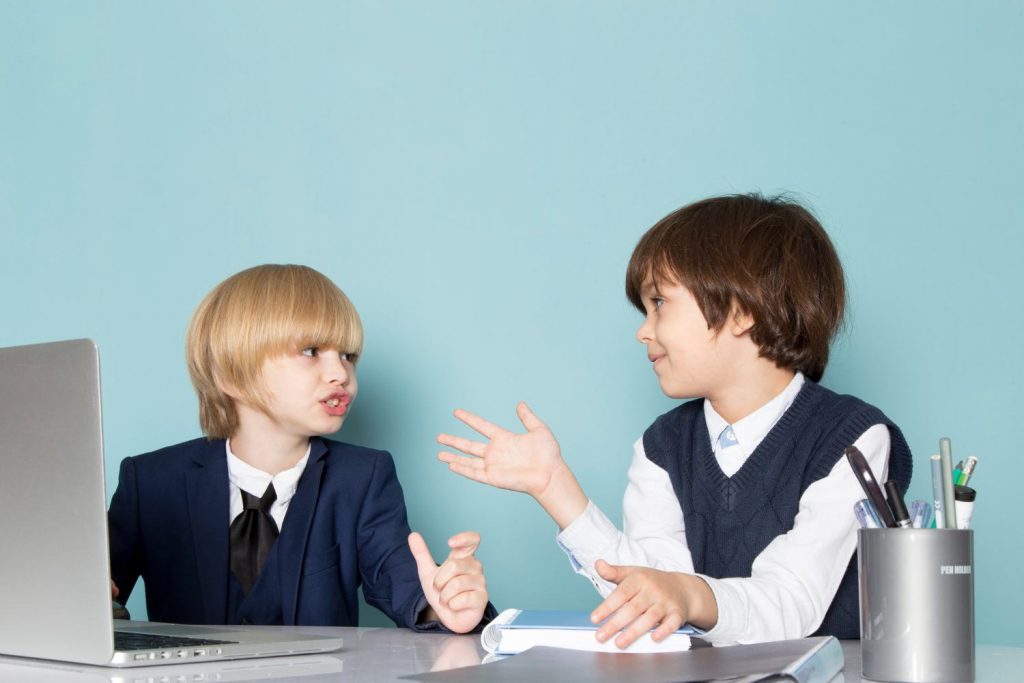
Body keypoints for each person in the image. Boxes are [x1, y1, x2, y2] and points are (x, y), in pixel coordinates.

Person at [437, 194, 912, 646]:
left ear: (742, 311)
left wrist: (688, 595)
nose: (643, 330)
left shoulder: (852, 438)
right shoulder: (662, 445)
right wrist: (554, 488)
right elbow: (650, 590)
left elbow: (791, 600)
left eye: (659, 303)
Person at [109, 264, 493, 632]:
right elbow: (88, 597)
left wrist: (445, 603)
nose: (340, 373)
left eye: (348, 356)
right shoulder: (151, 482)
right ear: (230, 374)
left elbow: (405, 582)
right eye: (311, 351)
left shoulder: (362, 478)